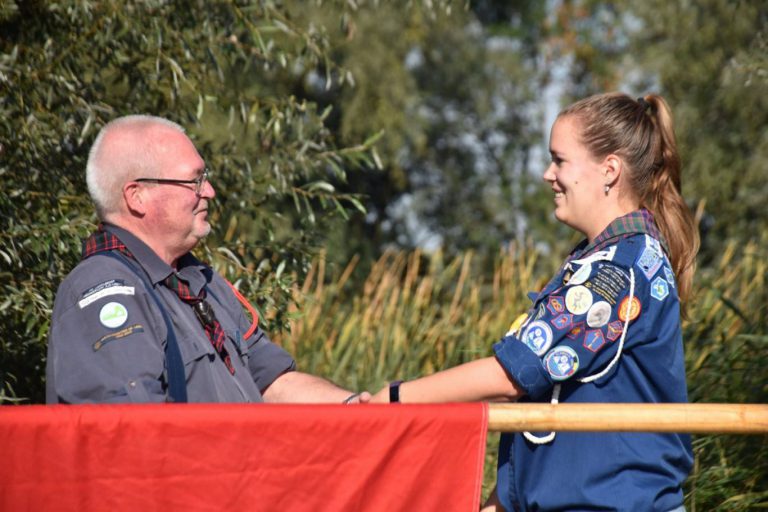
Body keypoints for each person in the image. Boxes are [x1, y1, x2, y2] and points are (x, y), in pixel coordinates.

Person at [371, 92, 699, 512]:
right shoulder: (602, 260)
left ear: (609, 170)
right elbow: (550, 411)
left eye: (559, 160)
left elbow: (513, 376)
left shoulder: (616, 274)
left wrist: (394, 399)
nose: (548, 174)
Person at [47, 115, 367, 405]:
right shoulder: (104, 290)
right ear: (137, 196)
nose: (210, 192)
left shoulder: (202, 282)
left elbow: (271, 382)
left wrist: (354, 408)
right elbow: (133, 432)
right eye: (194, 181)